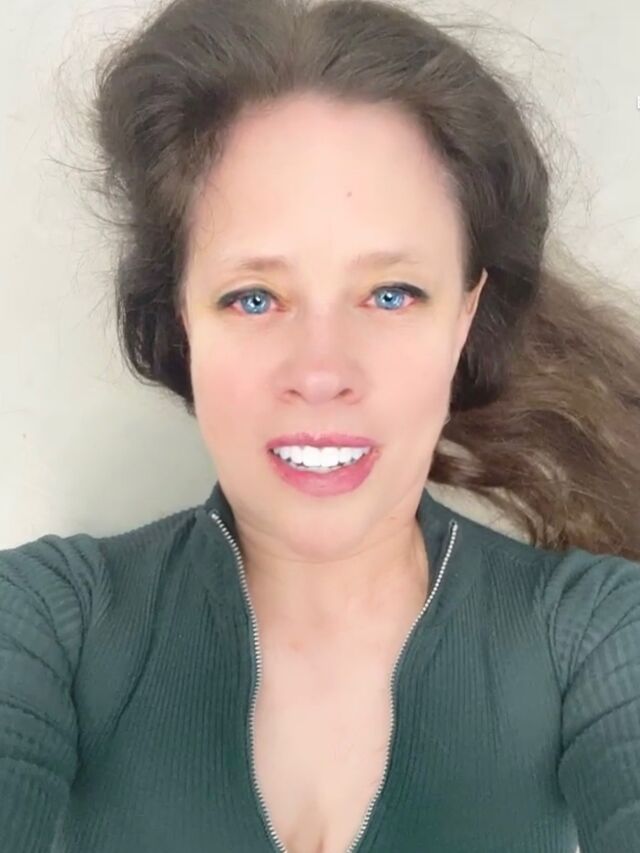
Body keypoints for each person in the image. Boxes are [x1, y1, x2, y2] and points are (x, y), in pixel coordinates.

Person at [1, 0, 639, 851]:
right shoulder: (45, 621)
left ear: (464, 317)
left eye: (391, 294)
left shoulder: (598, 633)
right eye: (254, 297)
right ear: (183, 319)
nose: (321, 371)